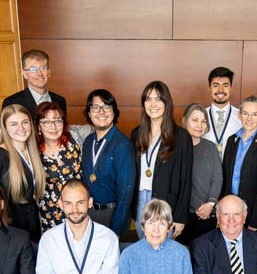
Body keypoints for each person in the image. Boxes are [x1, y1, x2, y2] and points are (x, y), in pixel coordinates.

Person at [130, 80, 193, 239]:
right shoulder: (137, 134)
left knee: (163, 249)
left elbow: (186, 180)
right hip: (140, 200)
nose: (153, 104)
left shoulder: (181, 137)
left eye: (158, 99)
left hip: (166, 202)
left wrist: (180, 217)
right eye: (148, 99)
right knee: (145, 248)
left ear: (167, 102)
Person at [0, 104, 46, 243]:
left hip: (32, 225)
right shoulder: (0, 157)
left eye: (25, 122)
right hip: (11, 230)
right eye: (13, 124)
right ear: (5, 128)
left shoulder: (32, 151)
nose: (21, 128)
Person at [80, 89, 135, 236]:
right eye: (95, 108)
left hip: (113, 214)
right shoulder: (88, 142)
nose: (101, 112)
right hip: (89, 214)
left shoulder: (123, 145)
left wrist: (115, 229)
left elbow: (125, 193)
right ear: (89, 113)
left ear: (114, 112)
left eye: (107, 107)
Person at [221, 95, 257, 232]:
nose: (249, 118)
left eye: (254, 114)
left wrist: (255, 221)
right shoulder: (232, 140)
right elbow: (225, 177)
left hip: (253, 212)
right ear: (239, 115)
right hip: (231, 210)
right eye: (246, 113)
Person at [35, 100, 82, 231]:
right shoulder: (33, 151)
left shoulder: (74, 144)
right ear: (38, 126)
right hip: (48, 212)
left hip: (75, 208)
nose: (53, 126)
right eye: (46, 122)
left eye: (57, 120)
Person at [180, 102, 222, 244]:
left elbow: (217, 177)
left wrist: (210, 204)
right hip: (180, 215)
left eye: (203, 121)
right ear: (185, 121)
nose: (200, 125)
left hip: (205, 214)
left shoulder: (210, 148)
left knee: (204, 255)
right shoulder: (175, 147)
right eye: (195, 120)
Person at [1, 49, 67, 116]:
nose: (39, 73)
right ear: (25, 74)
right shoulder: (12, 102)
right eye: (33, 69)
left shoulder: (60, 101)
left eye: (42, 68)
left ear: (49, 72)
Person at [202, 66, 241, 157]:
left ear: (231, 88)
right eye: (215, 85)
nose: (220, 90)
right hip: (206, 169)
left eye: (225, 85)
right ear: (209, 88)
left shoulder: (241, 116)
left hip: (232, 169)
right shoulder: (200, 116)